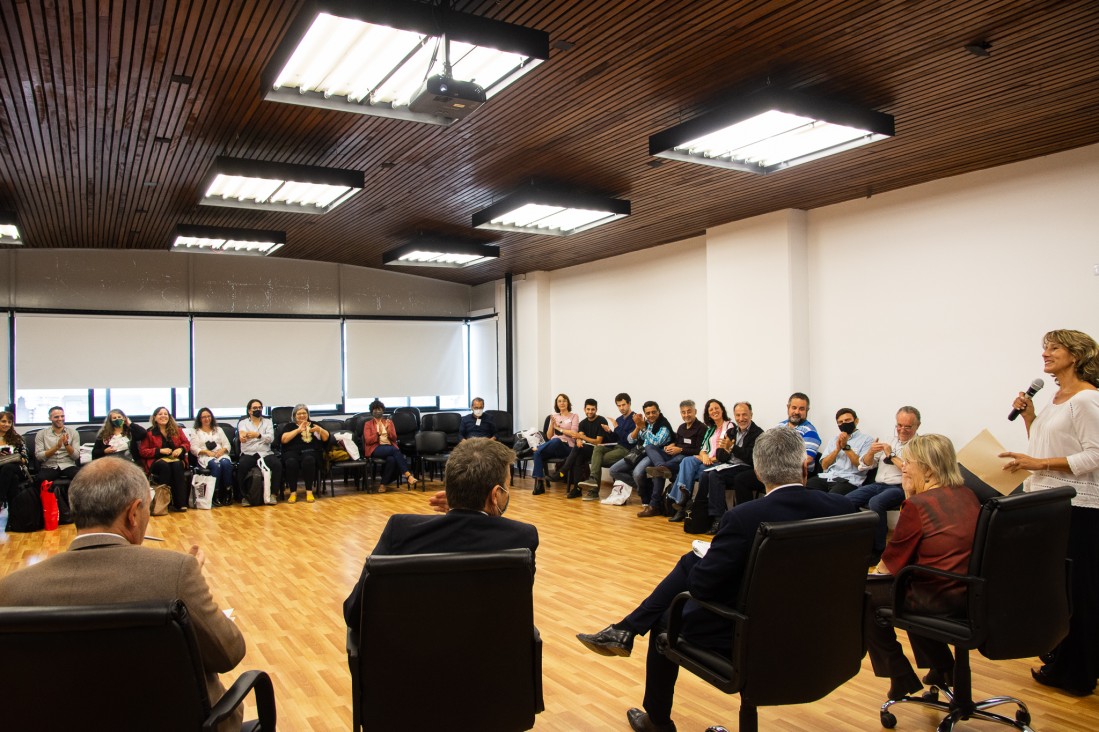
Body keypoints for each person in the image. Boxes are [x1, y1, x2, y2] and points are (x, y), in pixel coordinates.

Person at [575, 427, 855, 732]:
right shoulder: (843, 510)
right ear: (804, 467)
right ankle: (625, 629)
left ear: (759, 473)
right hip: (825, 633)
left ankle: (655, 717)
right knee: (695, 561)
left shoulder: (744, 518)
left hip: (749, 632)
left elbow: (701, 588)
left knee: (670, 612)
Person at [0, 458, 246, 731]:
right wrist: (189, 582)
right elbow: (229, 653)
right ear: (134, 513)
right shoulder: (176, 573)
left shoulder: (11, 590)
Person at [343, 437, 538, 628]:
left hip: (411, 655)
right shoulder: (523, 537)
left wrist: (460, 507)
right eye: (506, 487)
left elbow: (354, 612)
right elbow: (512, 608)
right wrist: (471, 510)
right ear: (496, 495)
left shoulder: (400, 529)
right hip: (492, 656)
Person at [1000, 328, 1099, 696]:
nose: (1046, 354)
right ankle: (1062, 658)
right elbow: (1044, 445)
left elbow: (1095, 456)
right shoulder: (1058, 396)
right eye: (1045, 348)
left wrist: (1037, 462)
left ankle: (1078, 673)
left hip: (1079, 508)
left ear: (1075, 354)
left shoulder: (1087, 400)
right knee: (1059, 591)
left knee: (1078, 592)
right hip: (1051, 504)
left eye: (1054, 348)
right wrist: (1030, 418)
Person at [864, 434, 981, 701]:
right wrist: (909, 494)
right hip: (970, 592)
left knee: (865, 595)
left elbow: (890, 564)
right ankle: (942, 668)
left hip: (938, 597)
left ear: (927, 468)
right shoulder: (967, 494)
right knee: (908, 585)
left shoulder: (918, 506)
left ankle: (899, 675)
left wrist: (871, 577)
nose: (903, 466)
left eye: (909, 462)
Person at [844, 406, 921, 559]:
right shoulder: (888, 439)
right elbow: (864, 465)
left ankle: (879, 548)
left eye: (907, 426)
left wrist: (891, 454)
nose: (902, 430)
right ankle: (866, 535)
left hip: (901, 487)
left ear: (917, 426)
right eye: (899, 425)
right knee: (847, 501)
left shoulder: (920, 445)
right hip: (878, 484)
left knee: (876, 503)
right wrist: (871, 452)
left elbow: (911, 470)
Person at [731, 392, 820, 508]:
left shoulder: (810, 431)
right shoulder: (780, 426)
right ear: (788, 408)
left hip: (795, 474)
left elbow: (806, 460)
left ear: (807, 410)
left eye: (801, 409)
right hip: (774, 470)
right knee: (741, 479)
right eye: (794, 408)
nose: (797, 412)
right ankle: (747, 515)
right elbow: (768, 448)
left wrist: (778, 465)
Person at [663, 399, 736, 522]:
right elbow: (703, 449)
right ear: (708, 414)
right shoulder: (710, 429)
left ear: (722, 409)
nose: (714, 411)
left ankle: (681, 503)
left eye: (716, 408)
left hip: (718, 462)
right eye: (711, 410)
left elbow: (726, 452)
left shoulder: (729, 426)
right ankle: (683, 501)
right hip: (706, 459)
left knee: (690, 472)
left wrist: (709, 458)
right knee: (686, 461)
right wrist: (704, 456)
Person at [701, 401, 763, 534]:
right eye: (738, 415)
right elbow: (720, 454)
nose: (741, 419)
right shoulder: (731, 431)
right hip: (729, 466)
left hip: (747, 467)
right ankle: (711, 516)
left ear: (751, 414)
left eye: (744, 415)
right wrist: (726, 450)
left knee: (716, 475)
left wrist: (732, 447)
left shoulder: (757, 433)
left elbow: (752, 458)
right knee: (707, 475)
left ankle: (720, 518)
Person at [642, 400, 705, 518]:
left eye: (689, 412)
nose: (686, 415)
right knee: (649, 447)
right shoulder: (681, 427)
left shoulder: (701, 428)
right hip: (674, 457)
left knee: (678, 460)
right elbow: (678, 442)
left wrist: (680, 450)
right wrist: (672, 445)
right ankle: (662, 467)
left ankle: (654, 504)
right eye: (683, 412)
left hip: (687, 458)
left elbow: (699, 450)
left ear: (695, 411)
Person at [609, 401, 672, 512]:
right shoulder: (645, 423)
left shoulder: (664, 424)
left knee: (637, 473)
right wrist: (638, 427)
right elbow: (630, 439)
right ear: (645, 414)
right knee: (614, 470)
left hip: (654, 455)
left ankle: (644, 490)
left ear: (659, 411)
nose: (651, 415)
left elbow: (656, 443)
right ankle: (645, 487)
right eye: (648, 413)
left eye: (654, 412)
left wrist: (643, 428)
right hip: (639, 452)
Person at [578, 392, 635, 501]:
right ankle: (593, 481)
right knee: (598, 447)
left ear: (629, 404)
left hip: (627, 450)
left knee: (596, 460)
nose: (621, 408)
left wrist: (616, 428)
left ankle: (593, 491)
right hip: (617, 446)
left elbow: (630, 440)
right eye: (619, 405)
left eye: (623, 405)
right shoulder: (619, 419)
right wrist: (609, 431)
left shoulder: (635, 418)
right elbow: (616, 438)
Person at [805, 408, 874, 494]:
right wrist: (837, 449)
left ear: (856, 421)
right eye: (840, 422)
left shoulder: (867, 440)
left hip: (849, 481)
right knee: (804, 490)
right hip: (827, 477)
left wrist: (845, 447)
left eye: (847, 420)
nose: (844, 423)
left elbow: (860, 465)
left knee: (832, 499)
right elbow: (824, 465)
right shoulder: (834, 440)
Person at [139, 406, 192, 512]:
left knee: (177, 465)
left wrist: (181, 449)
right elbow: (143, 451)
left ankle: (180, 503)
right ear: (154, 418)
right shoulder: (149, 433)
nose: (163, 416)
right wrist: (160, 451)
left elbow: (186, 443)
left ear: (169, 417)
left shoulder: (177, 430)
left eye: (165, 414)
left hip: (175, 460)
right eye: (160, 414)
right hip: (157, 462)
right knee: (165, 465)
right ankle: (163, 502)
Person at [277, 404, 330, 503]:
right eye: (299, 414)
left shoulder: (314, 424)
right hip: (292, 452)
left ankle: (309, 491)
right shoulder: (289, 426)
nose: (302, 415)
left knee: (308, 459)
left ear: (308, 414)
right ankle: (293, 492)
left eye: (304, 413)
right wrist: (298, 430)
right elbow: (283, 440)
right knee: (291, 461)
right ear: (294, 415)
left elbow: (326, 438)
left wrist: (320, 430)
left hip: (311, 452)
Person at [361, 400, 418, 491]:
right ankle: (408, 475)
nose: (378, 411)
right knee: (395, 450)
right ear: (372, 411)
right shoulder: (368, 424)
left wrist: (388, 431)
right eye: (375, 409)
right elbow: (368, 440)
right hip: (375, 448)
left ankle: (383, 484)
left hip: (388, 446)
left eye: (379, 409)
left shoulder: (389, 422)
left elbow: (394, 438)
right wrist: (378, 433)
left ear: (383, 410)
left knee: (391, 460)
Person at [559, 398, 610, 498]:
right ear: (584, 409)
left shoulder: (601, 420)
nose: (590, 412)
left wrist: (581, 437)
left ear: (596, 410)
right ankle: (577, 489)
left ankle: (564, 470)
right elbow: (580, 437)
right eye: (588, 409)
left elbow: (597, 442)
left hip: (599, 451)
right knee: (578, 456)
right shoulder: (582, 423)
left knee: (578, 452)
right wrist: (578, 440)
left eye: (592, 409)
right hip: (587, 449)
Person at [531, 393, 578, 495]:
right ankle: (540, 483)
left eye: (564, 400)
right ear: (556, 404)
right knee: (538, 453)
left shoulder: (574, 416)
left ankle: (536, 447)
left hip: (567, 447)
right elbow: (548, 436)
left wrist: (559, 429)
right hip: (553, 446)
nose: (562, 403)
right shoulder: (553, 416)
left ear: (568, 403)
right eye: (559, 401)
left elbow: (574, 434)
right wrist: (552, 425)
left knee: (555, 441)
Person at [236, 399, 282, 504]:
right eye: (255, 408)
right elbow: (242, 434)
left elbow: (270, 439)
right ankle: (244, 497)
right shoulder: (243, 423)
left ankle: (273, 494)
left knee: (277, 464)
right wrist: (242, 437)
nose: (258, 410)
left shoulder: (268, 422)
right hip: (249, 453)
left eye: (260, 407)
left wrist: (258, 435)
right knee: (242, 465)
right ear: (249, 411)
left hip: (265, 452)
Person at [190, 408, 234, 506]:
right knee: (216, 465)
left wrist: (222, 451)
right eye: (204, 417)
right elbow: (194, 448)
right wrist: (206, 452)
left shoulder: (218, 429)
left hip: (220, 454)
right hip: (205, 456)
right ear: (200, 419)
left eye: (208, 416)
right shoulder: (196, 432)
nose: (207, 419)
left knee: (226, 463)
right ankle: (215, 494)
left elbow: (227, 445)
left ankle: (228, 492)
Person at [34, 405, 80, 489]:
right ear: (50, 418)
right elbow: (39, 457)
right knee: (40, 479)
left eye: (62, 416)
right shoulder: (41, 434)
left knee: (83, 477)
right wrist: (56, 447)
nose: (60, 419)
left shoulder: (73, 433)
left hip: (68, 465)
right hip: (49, 466)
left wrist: (66, 445)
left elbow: (76, 456)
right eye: (56, 417)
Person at [0, 411, 29, 509]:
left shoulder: (17, 439)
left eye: (9, 422)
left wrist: (12, 457)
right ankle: (13, 519)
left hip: (17, 467)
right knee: (13, 479)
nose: (6, 424)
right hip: (4, 472)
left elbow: (25, 459)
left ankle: (0, 500)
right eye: (3, 421)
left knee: (8, 467)